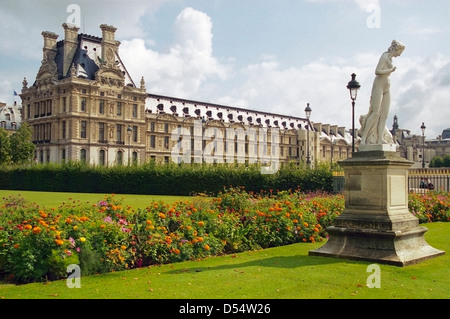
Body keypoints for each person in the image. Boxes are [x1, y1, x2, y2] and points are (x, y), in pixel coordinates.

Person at [359, 40, 406, 145]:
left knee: (384, 114)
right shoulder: (384, 57)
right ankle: (364, 138)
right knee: (375, 112)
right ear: (396, 49)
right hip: (379, 85)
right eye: (400, 52)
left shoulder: (390, 58)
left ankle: (380, 138)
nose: (400, 54)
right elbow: (377, 71)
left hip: (387, 87)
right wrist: (390, 71)